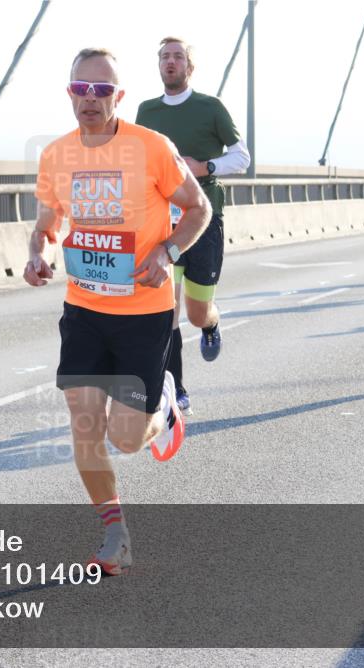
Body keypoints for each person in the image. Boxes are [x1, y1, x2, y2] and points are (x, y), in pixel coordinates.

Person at [24, 48, 211, 575]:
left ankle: (166, 406)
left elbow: (200, 208)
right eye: (81, 90)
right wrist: (38, 251)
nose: (90, 100)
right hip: (84, 308)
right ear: (69, 94)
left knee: (125, 438)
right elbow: (47, 220)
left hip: (144, 314)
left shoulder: (151, 148)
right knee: (84, 421)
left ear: (118, 97)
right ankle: (115, 535)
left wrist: (168, 251)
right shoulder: (57, 155)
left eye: (101, 91)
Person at [135, 37, 250, 416]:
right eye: (165, 56)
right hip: (161, 223)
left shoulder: (210, 108)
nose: (171, 62)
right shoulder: (146, 111)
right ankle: (176, 390)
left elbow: (242, 157)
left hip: (203, 219)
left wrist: (204, 168)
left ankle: (211, 324)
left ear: (190, 67)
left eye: (178, 57)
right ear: (159, 65)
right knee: (165, 310)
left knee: (196, 312)